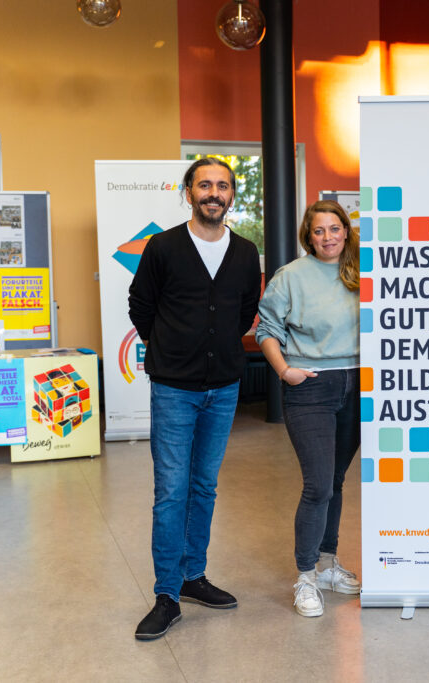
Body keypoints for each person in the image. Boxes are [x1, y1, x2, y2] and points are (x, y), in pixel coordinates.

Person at [128, 158, 262, 640]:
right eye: (204, 184)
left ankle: (192, 576)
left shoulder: (245, 252)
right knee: (171, 491)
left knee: (204, 486)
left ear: (231, 195)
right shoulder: (163, 247)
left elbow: (245, 311)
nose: (214, 193)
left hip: (223, 387)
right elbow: (140, 305)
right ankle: (167, 593)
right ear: (188, 192)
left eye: (222, 186)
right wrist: (170, 347)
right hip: (173, 388)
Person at [256, 200, 361, 618]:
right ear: (308, 236)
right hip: (311, 387)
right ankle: (305, 575)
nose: (328, 237)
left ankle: (328, 563)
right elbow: (267, 330)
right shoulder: (291, 277)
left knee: (335, 481)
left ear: (346, 231)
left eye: (334, 228)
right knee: (317, 484)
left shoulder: (361, 271)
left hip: (358, 384)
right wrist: (285, 371)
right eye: (319, 231)